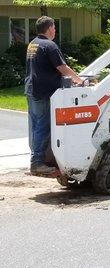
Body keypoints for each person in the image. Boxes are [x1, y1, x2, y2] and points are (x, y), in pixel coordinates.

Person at [25, 16, 83, 176]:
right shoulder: (49, 45)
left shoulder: (33, 44)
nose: (55, 30)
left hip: (31, 89)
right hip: (44, 92)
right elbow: (62, 68)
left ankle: (38, 160)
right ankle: (37, 163)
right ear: (49, 28)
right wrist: (81, 81)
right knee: (42, 127)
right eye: (54, 27)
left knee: (36, 126)